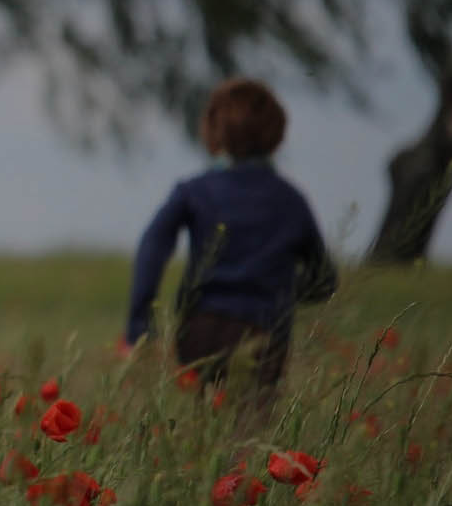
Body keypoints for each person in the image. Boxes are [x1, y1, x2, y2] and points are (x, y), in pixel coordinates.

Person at [121, 77, 337, 402]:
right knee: (252, 424)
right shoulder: (291, 200)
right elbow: (324, 280)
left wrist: (139, 326)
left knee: (202, 421)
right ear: (276, 134)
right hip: (264, 333)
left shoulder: (194, 191)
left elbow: (152, 247)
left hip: (200, 330)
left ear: (213, 130)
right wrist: (278, 292)